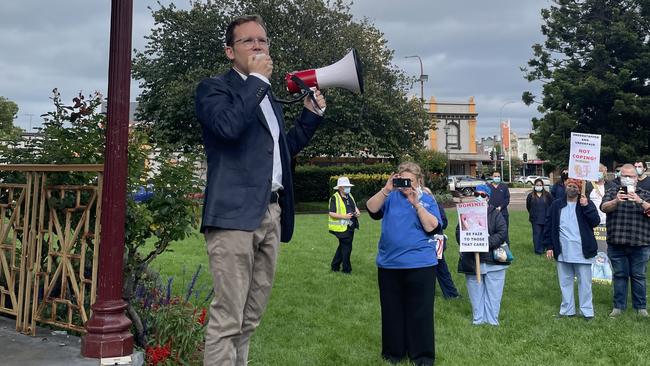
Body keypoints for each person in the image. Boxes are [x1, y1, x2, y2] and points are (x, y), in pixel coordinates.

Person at [194, 14, 327, 366]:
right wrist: (256, 81)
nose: (258, 46)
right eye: (248, 41)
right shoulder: (214, 89)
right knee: (228, 320)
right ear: (229, 51)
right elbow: (227, 127)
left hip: (270, 213)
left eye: (263, 41)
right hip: (234, 216)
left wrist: (310, 117)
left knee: (250, 319)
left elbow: (281, 151)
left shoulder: (264, 96)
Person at [366, 162, 442, 366]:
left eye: (409, 180)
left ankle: (422, 355)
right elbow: (371, 209)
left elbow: (432, 227)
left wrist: (415, 203)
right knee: (392, 311)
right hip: (390, 264)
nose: (405, 184)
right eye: (401, 179)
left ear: (418, 181)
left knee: (421, 311)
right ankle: (393, 353)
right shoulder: (389, 197)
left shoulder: (426, 199)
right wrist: (387, 188)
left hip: (420, 264)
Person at [542, 179, 600, 319]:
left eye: (574, 186)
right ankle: (567, 310)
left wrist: (586, 207)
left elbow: (595, 221)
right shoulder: (557, 204)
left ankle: (586, 311)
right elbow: (549, 225)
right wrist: (549, 245)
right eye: (569, 186)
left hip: (582, 250)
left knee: (584, 283)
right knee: (565, 281)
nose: (571, 188)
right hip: (563, 249)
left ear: (579, 189)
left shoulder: (585, 202)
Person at [455, 184, 510, 325]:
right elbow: (459, 233)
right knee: (475, 292)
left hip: (493, 261)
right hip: (473, 261)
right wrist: (471, 242)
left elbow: (502, 233)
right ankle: (478, 319)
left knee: (494, 293)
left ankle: (492, 320)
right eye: (476, 194)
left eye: (483, 195)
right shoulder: (465, 213)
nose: (479, 197)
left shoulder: (495, 214)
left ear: (488, 197)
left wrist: (485, 242)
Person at [600, 164, 650, 318]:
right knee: (620, 275)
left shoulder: (645, 193)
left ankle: (640, 307)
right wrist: (616, 201)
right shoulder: (612, 192)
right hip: (617, 242)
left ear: (637, 178)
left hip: (640, 243)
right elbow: (603, 207)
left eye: (631, 176)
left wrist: (639, 201)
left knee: (639, 276)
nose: (628, 179)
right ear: (620, 177)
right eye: (625, 176)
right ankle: (618, 307)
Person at [329, 176, 360, 274]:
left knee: (343, 247)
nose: (348, 188)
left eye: (348, 186)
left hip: (351, 225)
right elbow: (331, 213)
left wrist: (357, 212)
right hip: (341, 227)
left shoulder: (349, 195)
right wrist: (344, 216)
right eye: (346, 186)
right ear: (340, 187)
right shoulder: (334, 198)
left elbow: (354, 207)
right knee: (347, 247)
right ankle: (346, 269)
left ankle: (335, 266)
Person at [526, 178, 553, 254]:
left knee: (545, 234)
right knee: (537, 235)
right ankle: (538, 250)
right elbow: (528, 206)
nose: (539, 186)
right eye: (537, 185)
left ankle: (545, 247)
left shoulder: (547, 195)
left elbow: (551, 205)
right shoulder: (530, 196)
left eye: (540, 185)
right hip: (535, 219)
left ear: (543, 186)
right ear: (534, 186)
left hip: (546, 218)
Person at [488, 171, 510, 243]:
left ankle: (506, 249)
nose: (497, 178)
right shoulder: (488, 187)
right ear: (492, 177)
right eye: (495, 176)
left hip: (503, 213)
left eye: (498, 176)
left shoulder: (504, 186)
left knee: (504, 231)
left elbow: (507, 199)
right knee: (491, 231)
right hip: (490, 214)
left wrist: (500, 207)